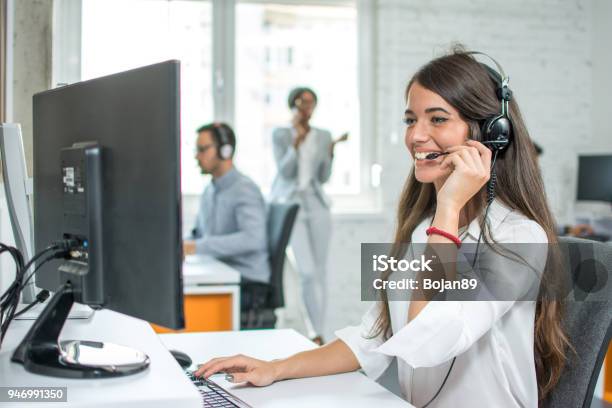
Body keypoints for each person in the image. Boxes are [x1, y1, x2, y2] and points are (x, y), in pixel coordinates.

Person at [195, 49, 570, 407]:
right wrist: (276, 369)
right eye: (411, 120)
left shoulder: (519, 238)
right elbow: (375, 334)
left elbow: (429, 340)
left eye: (437, 119)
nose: (415, 136)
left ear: (491, 134)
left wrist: (450, 207)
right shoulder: (426, 228)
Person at [269, 87, 347, 342]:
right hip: (291, 203)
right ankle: (312, 328)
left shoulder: (323, 135)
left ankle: (318, 332)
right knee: (307, 272)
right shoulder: (281, 134)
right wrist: (296, 143)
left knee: (321, 271)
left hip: (316, 204)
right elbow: (285, 172)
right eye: (302, 103)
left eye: (311, 103)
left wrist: (331, 151)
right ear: (292, 105)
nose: (307, 108)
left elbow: (323, 177)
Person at [183, 123, 271, 324]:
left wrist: (196, 247)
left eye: (203, 149)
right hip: (222, 274)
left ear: (225, 150)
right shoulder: (210, 190)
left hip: (247, 283)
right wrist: (182, 245)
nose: (197, 156)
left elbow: (253, 239)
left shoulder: (244, 189)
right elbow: (198, 234)